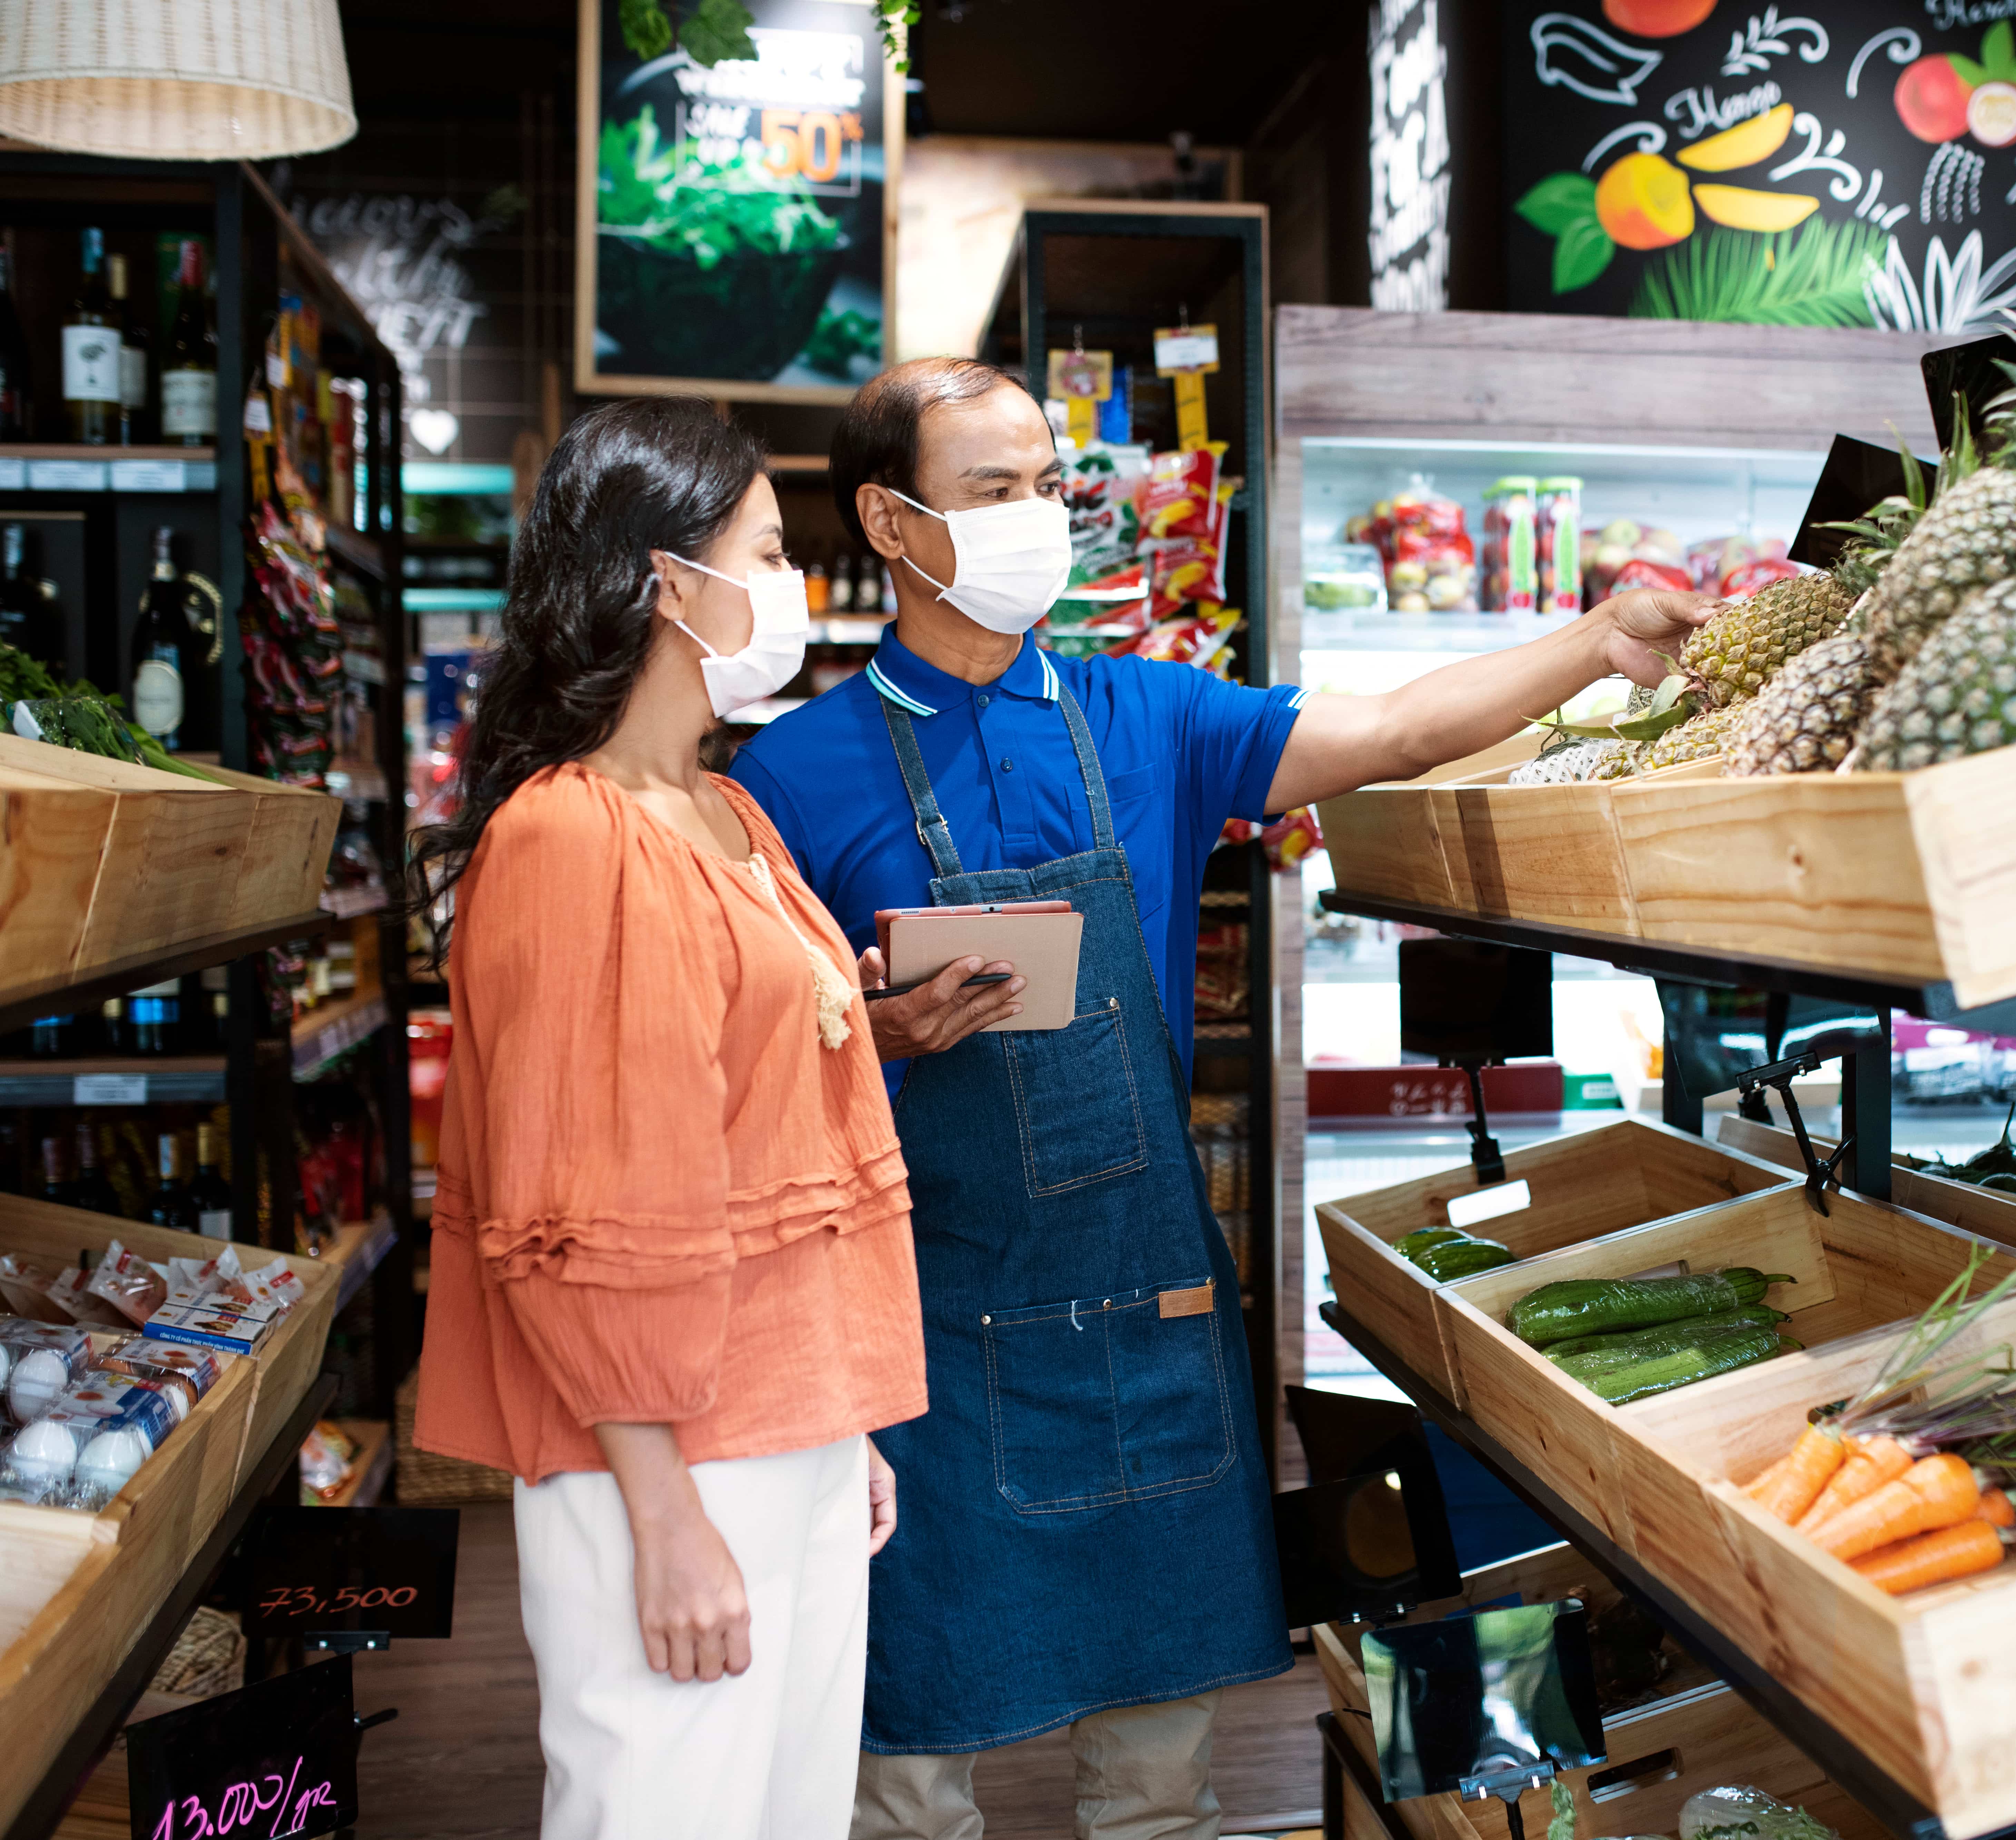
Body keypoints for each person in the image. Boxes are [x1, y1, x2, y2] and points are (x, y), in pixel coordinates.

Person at [728, 357, 1714, 1840]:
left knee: (1158, 1788)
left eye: (1048, 486)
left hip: (1145, 1312)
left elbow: (1391, 732)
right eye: (994, 491)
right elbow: (740, 1060)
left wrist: (1592, 644)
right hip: (923, 1334)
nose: (1038, 518)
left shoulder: (1152, 717)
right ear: (888, 518)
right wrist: (876, 1029)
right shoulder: (788, 776)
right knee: (904, 1780)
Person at [412, 396, 931, 1840]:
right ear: (664, 577)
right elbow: (572, 1208)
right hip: (665, 1450)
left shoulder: (727, 811)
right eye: (767, 552)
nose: (793, 589)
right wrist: (661, 1507)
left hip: (792, 1423)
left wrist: (841, 1423)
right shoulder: (567, 836)